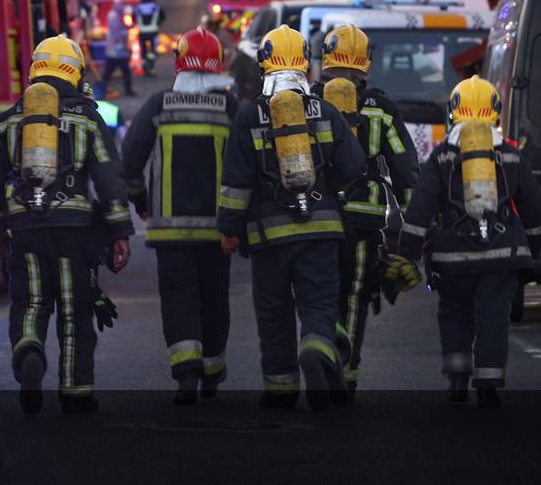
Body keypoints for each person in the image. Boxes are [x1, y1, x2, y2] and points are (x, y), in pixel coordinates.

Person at [0, 35, 135, 414]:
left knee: (30, 302)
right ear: (75, 72)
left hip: (25, 229)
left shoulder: (11, 118)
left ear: (34, 69)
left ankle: (29, 350)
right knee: (75, 308)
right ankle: (76, 391)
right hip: (74, 230)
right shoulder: (88, 117)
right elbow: (109, 176)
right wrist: (119, 231)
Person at [217, 25, 366, 410]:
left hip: (268, 236)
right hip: (322, 228)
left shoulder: (249, 115)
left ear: (263, 66)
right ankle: (316, 347)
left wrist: (229, 230)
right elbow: (353, 165)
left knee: (273, 310)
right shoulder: (325, 110)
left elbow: (236, 183)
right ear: (306, 66)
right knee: (319, 302)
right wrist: (326, 188)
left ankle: (280, 388)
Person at [394, 75, 541, 408]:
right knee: (493, 317)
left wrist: (406, 254)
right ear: (495, 112)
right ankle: (488, 384)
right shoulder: (510, 155)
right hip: (500, 254)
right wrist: (533, 249)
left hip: (451, 259)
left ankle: (457, 380)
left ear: (453, 112)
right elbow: (534, 207)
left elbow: (420, 208)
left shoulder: (441, 157)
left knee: (454, 315)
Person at [122, 27, 237, 404]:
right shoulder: (230, 107)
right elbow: (245, 165)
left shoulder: (159, 104)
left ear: (179, 63)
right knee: (214, 297)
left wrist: (139, 201)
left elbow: (130, 160)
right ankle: (212, 370)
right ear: (218, 64)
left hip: (170, 231)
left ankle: (187, 373)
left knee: (178, 297)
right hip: (218, 230)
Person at [311, 24, 419, 395]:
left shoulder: (308, 101)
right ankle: (348, 372)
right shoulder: (382, 108)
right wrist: (412, 229)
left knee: (320, 291)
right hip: (364, 217)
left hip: (317, 216)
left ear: (325, 58)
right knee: (356, 293)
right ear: (365, 62)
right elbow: (405, 169)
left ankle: (326, 341)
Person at [97, 0, 135, 98]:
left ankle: (102, 90)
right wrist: (123, 41)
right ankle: (128, 90)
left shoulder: (116, 15)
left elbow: (120, 28)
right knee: (124, 71)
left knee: (108, 72)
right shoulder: (115, 16)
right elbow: (117, 33)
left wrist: (129, 27)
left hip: (113, 51)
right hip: (118, 51)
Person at [135, 0, 165, 77]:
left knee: (143, 50)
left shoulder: (138, 7)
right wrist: (158, 24)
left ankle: (144, 65)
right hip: (153, 32)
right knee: (152, 51)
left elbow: (134, 18)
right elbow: (162, 17)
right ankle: (150, 67)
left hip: (142, 32)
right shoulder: (156, 6)